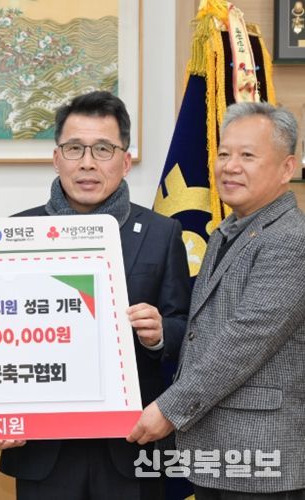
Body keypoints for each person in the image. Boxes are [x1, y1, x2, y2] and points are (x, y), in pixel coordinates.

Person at [0, 90, 191, 500]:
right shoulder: (15, 232)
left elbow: (185, 326)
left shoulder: (161, 233)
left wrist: (159, 334)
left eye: (103, 149)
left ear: (125, 161)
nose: (87, 162)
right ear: (56, 158)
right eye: (74, 148)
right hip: (42, 445)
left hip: (131, 442)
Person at [128, 102, 305, 498]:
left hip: (262, 459)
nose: (230, 166)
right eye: (224, 154)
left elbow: (244, 341)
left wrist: (169, 409)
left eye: (248, 156)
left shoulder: (292, 239)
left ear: (286, 169)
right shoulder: (230, 231)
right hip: (220, 453)